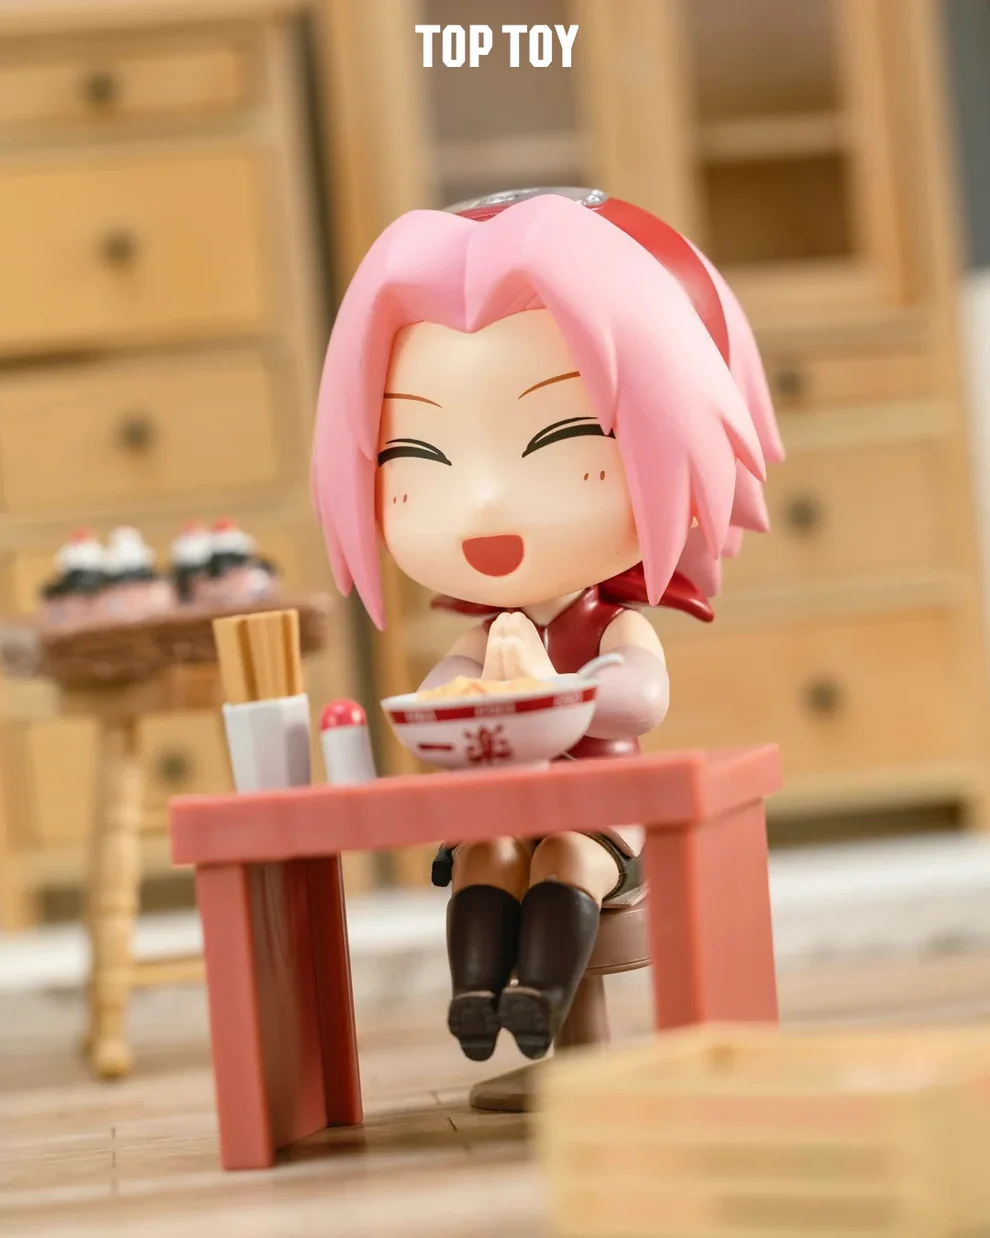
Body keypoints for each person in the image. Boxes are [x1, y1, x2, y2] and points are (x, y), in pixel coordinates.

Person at [311, 187, 783, 1064]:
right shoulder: (489, 634)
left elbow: (641, 694)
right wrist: (457, 697)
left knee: (568, 855)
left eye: (561, 438)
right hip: (500, 810)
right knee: (483, 856)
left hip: (600, 809)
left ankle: (539, 1000)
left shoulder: (607, 622)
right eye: (418, 456)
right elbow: (445, 688)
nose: (486, 500)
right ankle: (475, 999)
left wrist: (565, 691)